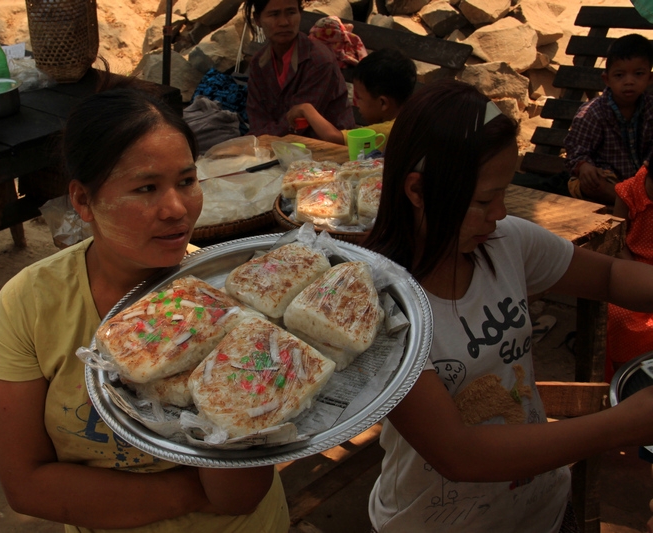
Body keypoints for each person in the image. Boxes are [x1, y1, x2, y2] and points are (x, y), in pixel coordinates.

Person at [0, 82, 289, 533]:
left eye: (186, 181)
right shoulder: (30, 303)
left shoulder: (231, 296)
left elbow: (238, 496)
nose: (176, 208)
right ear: (83, 199)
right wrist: (188, 492)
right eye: (146, 188)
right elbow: (26, 486)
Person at [362, 79, 653, 532]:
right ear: (417, 191)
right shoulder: (379, 306)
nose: (499, 212)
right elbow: (458, 454)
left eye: (503, 194)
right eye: (483, 200)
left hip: (543, 509)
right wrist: (622, 425)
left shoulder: (504, 243)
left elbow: (610, 275)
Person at [243, 0, 355, 137]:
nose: (284, 22)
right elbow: (257, 117)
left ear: (300, 14)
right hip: (277, 146)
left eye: (291, 12)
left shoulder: (319, 60)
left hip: (324, 147)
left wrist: (259, 141)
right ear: (258, 19)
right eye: (274, 14)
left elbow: (297, 124)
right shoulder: (258, 64)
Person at [564, 33, 653, 205]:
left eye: (638, 74)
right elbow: (576, 150)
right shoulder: (593, 113)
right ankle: (631, 203)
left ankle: (633, 201)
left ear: (649, 78)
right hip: (609, 180)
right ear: (607, 79)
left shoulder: (651, 109)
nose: (629, 81)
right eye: (619, 75)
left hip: (644, 180)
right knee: (588, 183)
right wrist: (584, 167)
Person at [286, 48, 416, 146]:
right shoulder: (411, 117)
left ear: (383, 103)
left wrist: (306, 108)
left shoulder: (388, 131)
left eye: (359, 98)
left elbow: (334, 137)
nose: (356, 103)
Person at [606, 162, 653, 381]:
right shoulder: (629, 191)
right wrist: (635, 272)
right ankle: (625, 375)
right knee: (620, 315)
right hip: (632, 267)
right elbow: (617, 242)